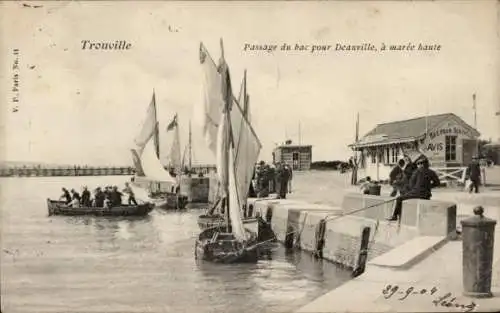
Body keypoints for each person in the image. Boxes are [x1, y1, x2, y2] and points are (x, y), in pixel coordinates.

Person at [387, 157, 440, 221]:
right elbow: (437, 183)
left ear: (420, 164)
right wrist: (428, 187)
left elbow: (411, 185)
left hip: (416, 194)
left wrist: (405, 190)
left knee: (399, 198)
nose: (418, 166)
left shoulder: (416, 172)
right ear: (427, 164)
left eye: (418, 164)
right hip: (426, 195)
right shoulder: (431, 172)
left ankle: (395, 216)